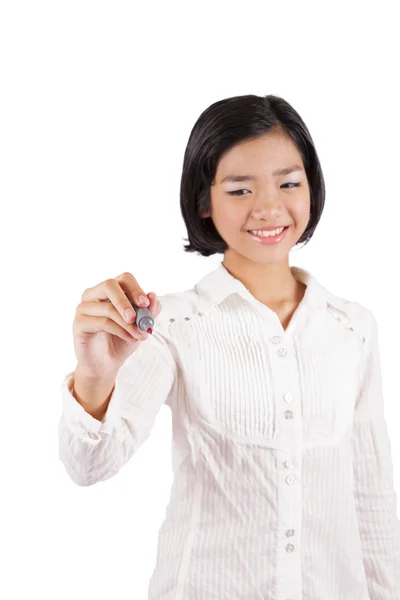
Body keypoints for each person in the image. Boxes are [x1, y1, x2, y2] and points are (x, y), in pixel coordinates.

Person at [59, 94, 400, 600]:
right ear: (205, 201)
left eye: (289, 183)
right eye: (240, 189)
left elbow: (371, 498)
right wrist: (94, 377)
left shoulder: (353, 329)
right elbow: (90, 466)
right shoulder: (173, 326)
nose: (269, 207)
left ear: (311, 188)